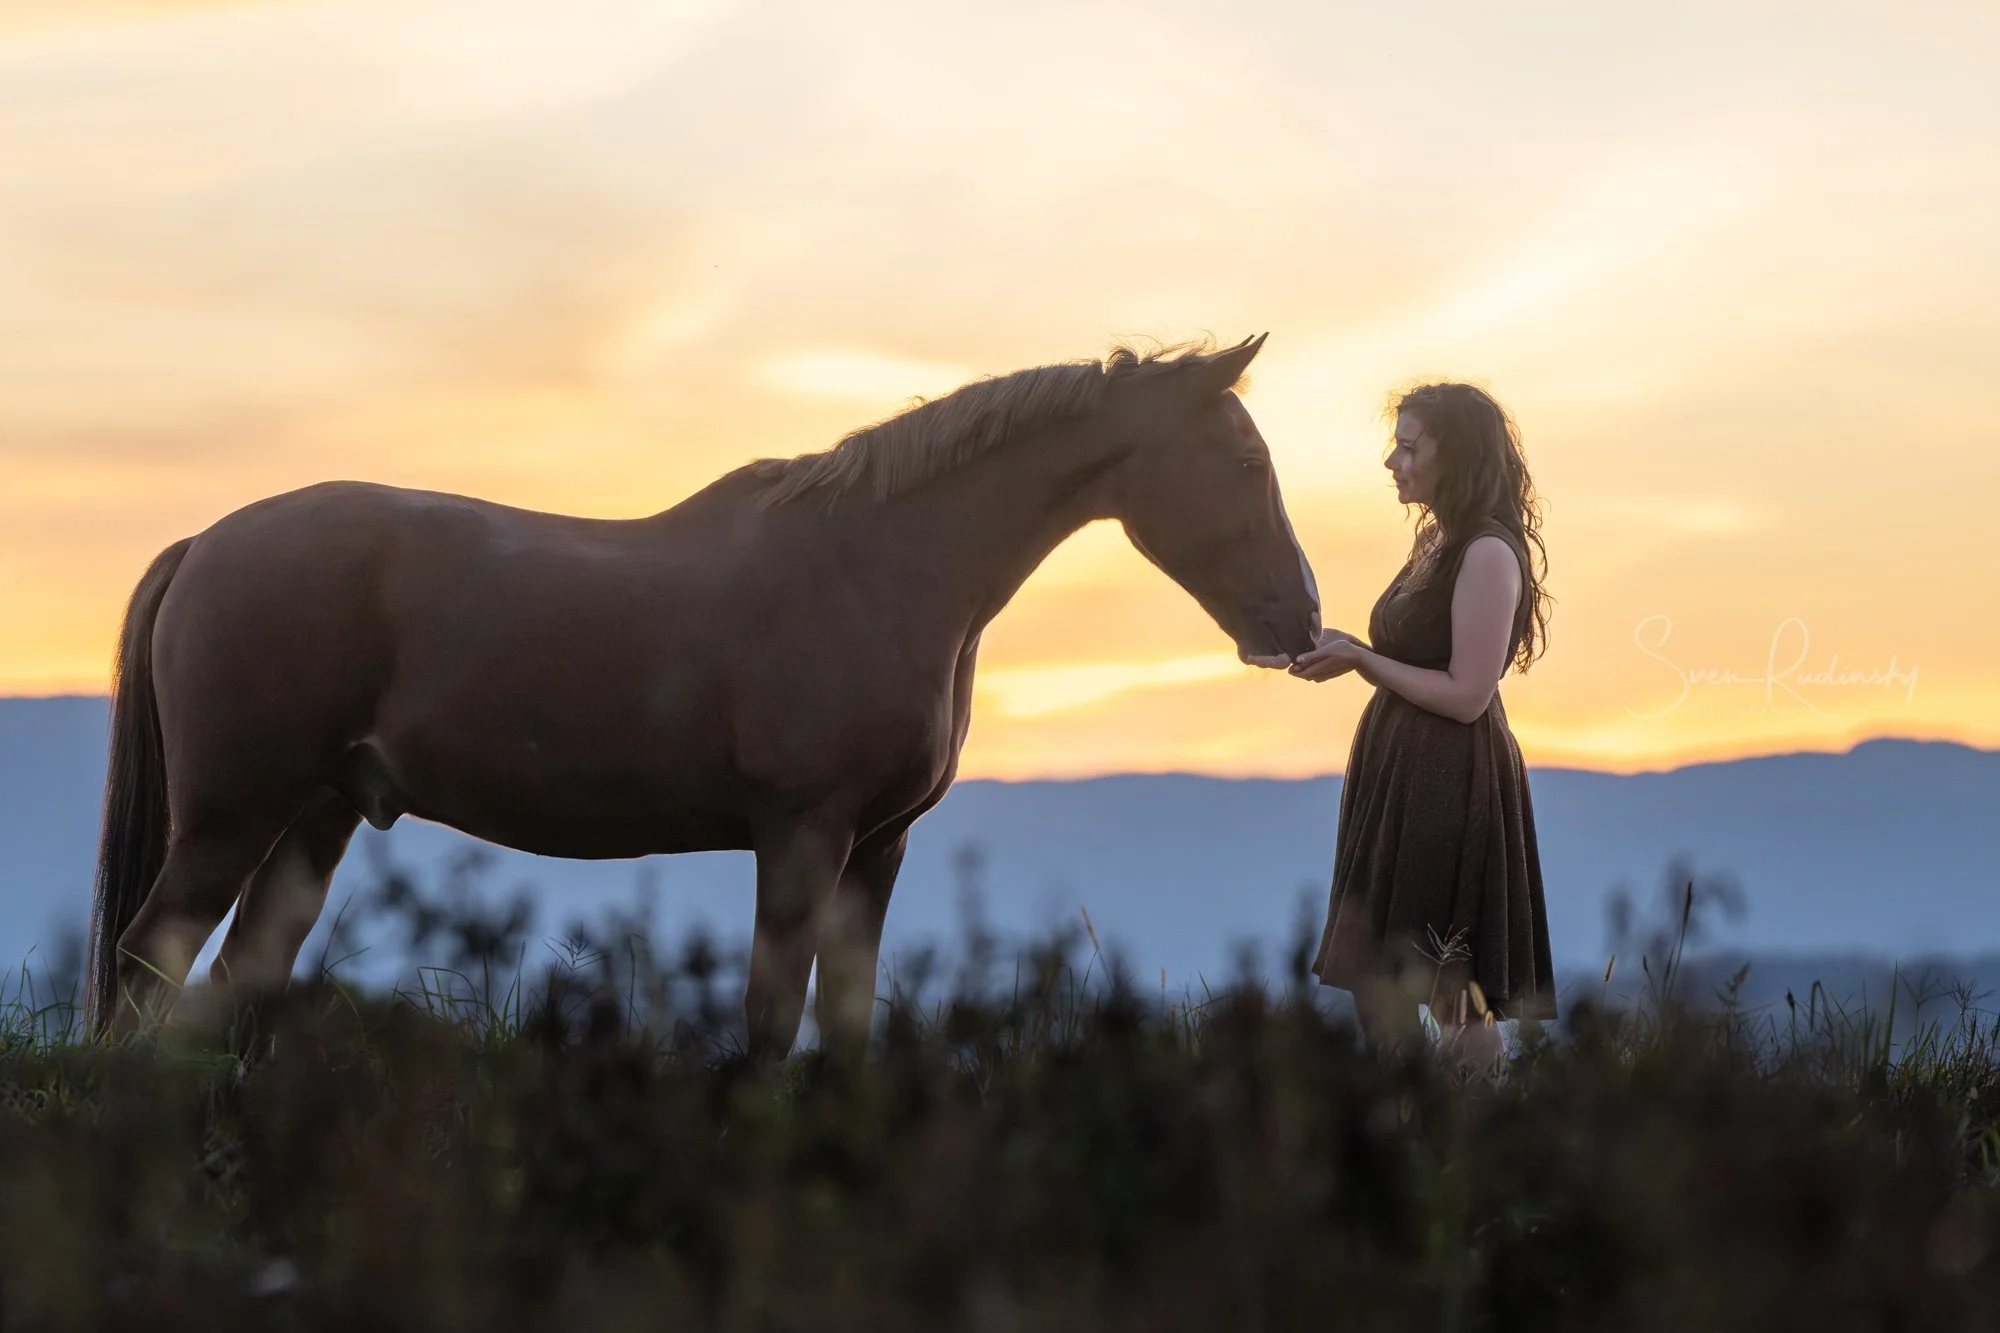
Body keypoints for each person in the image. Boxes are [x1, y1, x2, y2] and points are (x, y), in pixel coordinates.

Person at [1285, 383, 1556, 1066]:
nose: (1392, 462)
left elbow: (1468, 694)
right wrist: (1344, 647)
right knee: (1380, 976)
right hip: (1401, 770)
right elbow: (1411, 658)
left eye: (1409, 447)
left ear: (1454, 454)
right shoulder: (1440, 540)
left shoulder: (1488, 552)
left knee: (1446, 986)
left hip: (1447, 783)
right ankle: (1407, 1127)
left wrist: (1362, 660)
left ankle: (1468, 1136)